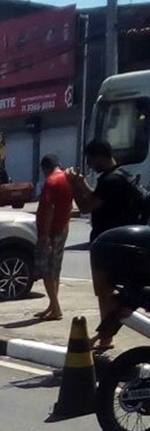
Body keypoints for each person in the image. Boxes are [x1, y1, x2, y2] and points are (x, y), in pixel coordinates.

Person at [67, 140, 143, 351]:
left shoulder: (110, 181)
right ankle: (105, 337)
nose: (90, 164)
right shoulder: (123, 176)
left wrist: (73, 186)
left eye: (90, 159)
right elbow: (99, 196)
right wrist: (82, 184)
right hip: (129, 242)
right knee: (111, 292)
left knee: (105, 292)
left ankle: (105, 336)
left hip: (109, 244)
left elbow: (86, 206)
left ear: (99, 156)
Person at [34, 154, 74, 322]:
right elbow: (70, 205)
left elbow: (49, 208)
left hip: (51, 232)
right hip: (63, 228)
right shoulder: (67, 178)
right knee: (55, 269)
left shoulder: (51, 182)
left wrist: (45, 235)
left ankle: (56, 307)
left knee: (46, 270)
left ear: (44, 168)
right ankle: (52, 305)